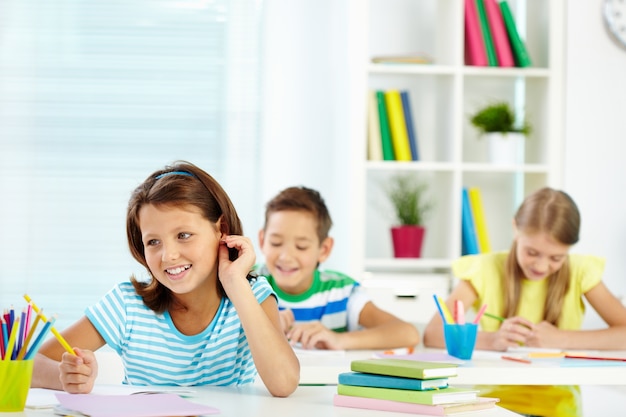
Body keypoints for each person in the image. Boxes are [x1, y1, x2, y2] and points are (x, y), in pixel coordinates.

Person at [32, 161, 299, 397]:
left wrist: (235, 283)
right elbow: (28, 364)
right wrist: (64, 375)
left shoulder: (252, 294)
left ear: (222, 230)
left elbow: (284, 383)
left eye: (183, 235)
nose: (168, 255)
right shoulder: (127, 305)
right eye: (153, 241)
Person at [423, 187, 626, 417]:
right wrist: (492, 339)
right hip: (493, 405)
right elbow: (433, 333)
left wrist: (560, 339)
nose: (540, 266)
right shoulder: (484, 269)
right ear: (515, 229)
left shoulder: (580, 271)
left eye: (556, 258)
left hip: (557, 407)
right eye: (531, 252)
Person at [255, 186, 420, 351]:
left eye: (301, 246)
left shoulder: (341, 291)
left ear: (324, 249)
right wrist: (260, 326)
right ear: (262, 240)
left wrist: (339, 340)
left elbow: (408, 334)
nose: (286, 257)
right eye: (275, 243)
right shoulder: (247, 284)